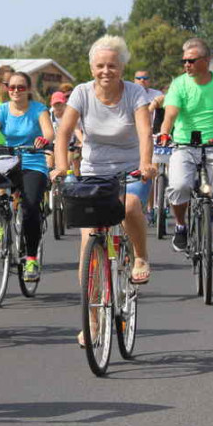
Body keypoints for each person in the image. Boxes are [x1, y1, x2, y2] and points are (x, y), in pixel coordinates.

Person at [52, 37, 156, 342]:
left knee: (129, 207)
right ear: (91, 68)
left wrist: (147, 163)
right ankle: (93, 321)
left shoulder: (134, 93)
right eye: (100, 66)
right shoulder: (82, 93)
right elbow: (64, 133)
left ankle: (140, 256)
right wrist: (60, 166)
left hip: (131, 169)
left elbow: (145, 131)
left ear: (122, 67)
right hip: (94, 173)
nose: (106, 71)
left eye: (112, 65)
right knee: (88, 254)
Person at [158, 38, 213, 270]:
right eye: (184, 60)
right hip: (185, 144)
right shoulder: (179, 84)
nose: (186, 64)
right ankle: (180, 225)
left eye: (191, 60)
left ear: (206, 61)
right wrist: (165, 132)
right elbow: (170, 113)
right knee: (178, 186)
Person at [0, 70, 54, 281]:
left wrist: (43, 141)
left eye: (20, 87)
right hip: (10, 161)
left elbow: (48, 132)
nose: (16, 91)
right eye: (12, 87)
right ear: (6, 89)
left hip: (33, 162)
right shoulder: (2, 110)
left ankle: (30, 258)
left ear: (28, 90)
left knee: (30, 207)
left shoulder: (38, 109)